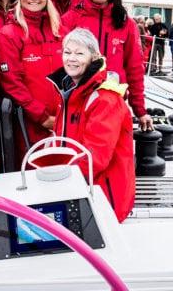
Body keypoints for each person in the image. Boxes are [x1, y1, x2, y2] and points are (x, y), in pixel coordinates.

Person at [49, 28, 135, 222]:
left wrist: (61, 182)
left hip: (103, 197)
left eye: (79, 53)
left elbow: (95, 157)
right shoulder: (71, 90)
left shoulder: (104, 98)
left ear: (94, 57)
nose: (71, 58)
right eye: (67, 52)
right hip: (80, 189)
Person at [62, 0, 152, 130]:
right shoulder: (71, 19)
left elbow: (134, 68)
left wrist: (140, 110)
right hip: (80, 102)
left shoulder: (126, 23)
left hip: (114, 103)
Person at [0, 0, 67, 160]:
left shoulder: (60, 31)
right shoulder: (9, 34)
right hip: (30, 122)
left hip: (63, 119)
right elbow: (12, 82)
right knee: (32, 172)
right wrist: (42, 117)